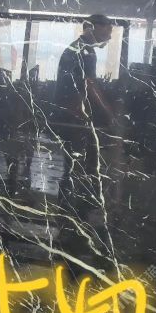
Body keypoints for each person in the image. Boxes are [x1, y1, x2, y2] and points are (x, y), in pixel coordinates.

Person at [52, 14, 115, 270]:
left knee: (74, 165)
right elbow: (89, 85)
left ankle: (71, 217)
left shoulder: (79, 48)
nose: (109, 36)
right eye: (107, 30)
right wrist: (108, 113)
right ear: (93, 28)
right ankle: (72, 220)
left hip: (70, 115)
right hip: (73, 117)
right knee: (76, 166)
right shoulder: (85, 52)